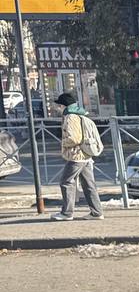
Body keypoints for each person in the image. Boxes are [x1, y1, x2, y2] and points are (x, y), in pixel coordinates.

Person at [53, 90, 103, 221]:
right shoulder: (81, 115)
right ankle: (97, 212)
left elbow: (74, 138)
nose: (58, 108)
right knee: (88, 184)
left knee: (66, 182)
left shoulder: (71, 117)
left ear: (64, 105)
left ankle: (67, 213)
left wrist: (64, 143)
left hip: (76, 155)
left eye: (59, 105)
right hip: (86, 155)